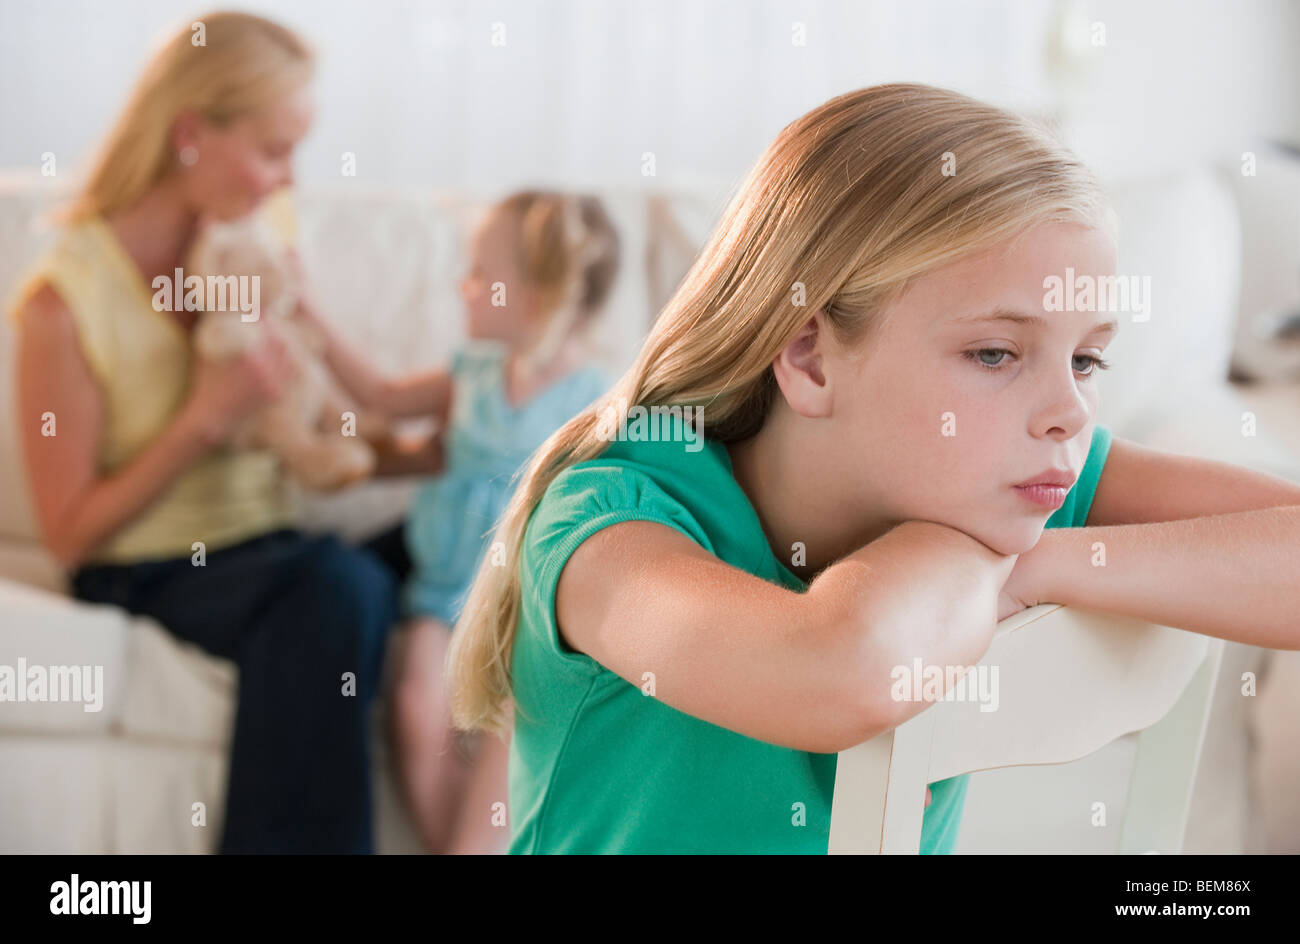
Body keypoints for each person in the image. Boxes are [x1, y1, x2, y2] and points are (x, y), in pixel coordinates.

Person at [443, 82, 1300, 854]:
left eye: (1086, 362)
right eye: (997, 353)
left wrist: (1047, 565)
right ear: (810, 356)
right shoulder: (609, 520)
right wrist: (974, 562)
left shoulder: (1010, 490)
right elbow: (840, 670)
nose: (1068, 412)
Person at [10, 11, 414, 854]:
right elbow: (71, 532)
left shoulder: (252, 250)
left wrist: (422, 449)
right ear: (190, 134)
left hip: (274, 551)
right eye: (272, 150)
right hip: (148, 570)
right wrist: (205, 419)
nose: (287, 180)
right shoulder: (63, 303)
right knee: (336, 589)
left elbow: (323, 410)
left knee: (457, 544)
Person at [297, 190, 619, 853]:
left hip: (524, 609)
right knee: (416, 707)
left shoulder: (595, 400)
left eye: (478, 273)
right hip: (441, 596)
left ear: (535, 296)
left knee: (513, 723)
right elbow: (382, 399)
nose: (462, 285)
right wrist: (304, 314)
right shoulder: (471, 374)